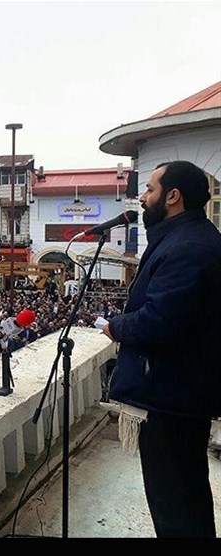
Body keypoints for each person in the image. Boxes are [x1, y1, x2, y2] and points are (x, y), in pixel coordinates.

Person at [103, 160, 221, 538]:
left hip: (172, 399)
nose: (142, 196)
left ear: (173, 197)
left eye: (150, 189)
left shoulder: (188, 247)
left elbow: (160, 320)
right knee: (185, 497)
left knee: (177, 508)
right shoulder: (187, 238)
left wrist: (115, 326)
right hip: (178, 394)